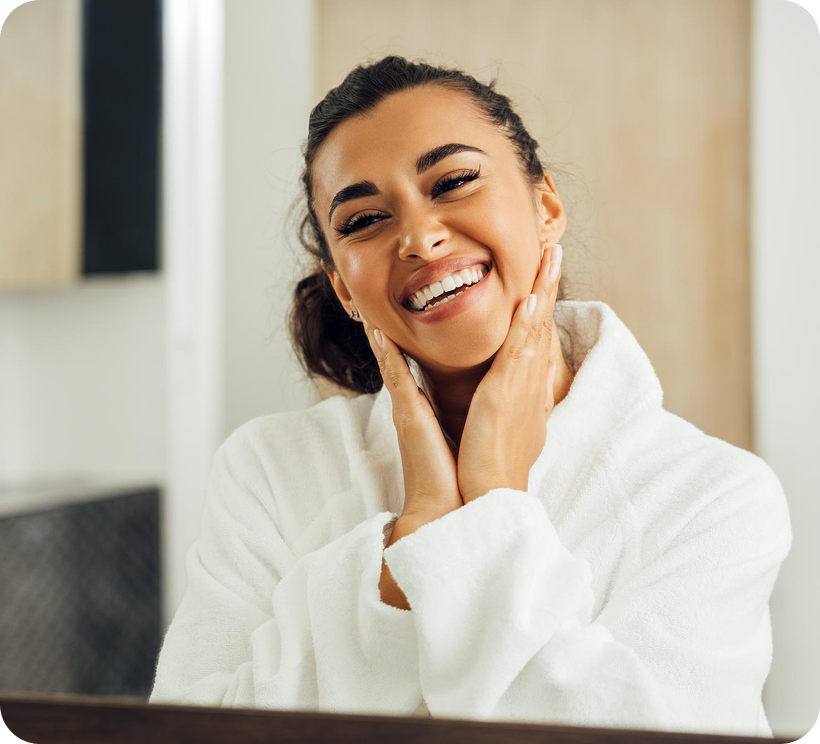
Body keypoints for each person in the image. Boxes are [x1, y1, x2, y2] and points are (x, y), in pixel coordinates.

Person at [148, 56, 792, 737]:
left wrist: (491, 502)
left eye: (452, 182)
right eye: (364, 220)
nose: (419, 238)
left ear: (546, 208)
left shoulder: (712, 496)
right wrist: (414, 538)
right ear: (343, 287)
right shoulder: (269, 472)